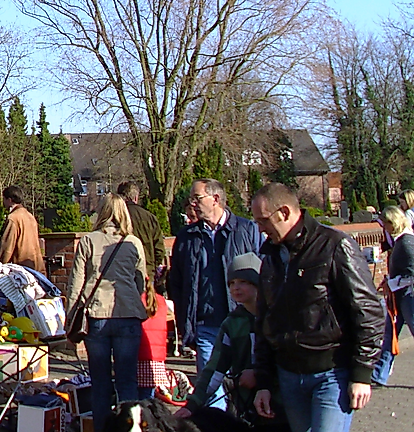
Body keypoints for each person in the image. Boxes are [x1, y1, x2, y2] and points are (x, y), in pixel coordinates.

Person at [250, 183, 384, 432]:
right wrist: (264, 381)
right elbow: (265, 322)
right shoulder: (270, 259)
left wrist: (362, 373)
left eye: (263, 220)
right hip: (289, 374)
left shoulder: (333, 246)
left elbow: (368, 311)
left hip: (332, 373)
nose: (260, 229)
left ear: (284, 212)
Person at [177, 252, 285, 428]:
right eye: (232, 283)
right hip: (249, 408)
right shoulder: (232, 323)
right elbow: (214, 368)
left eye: (243, 282)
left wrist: (259, 374)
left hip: (284, 404)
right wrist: (192, 405)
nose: (236, 288)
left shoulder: (279, 316)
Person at [169, 178, 262, 377]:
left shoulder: (247, 230)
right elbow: (176, 282)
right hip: (205, 326)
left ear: (215, 199)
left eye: (197, 198)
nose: (192, 203)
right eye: (191, 199)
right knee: (210, 389)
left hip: (243, 324)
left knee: (242, 388)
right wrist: (185, 321)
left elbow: (263, 274)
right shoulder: (187, 237)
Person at [67, 193, 147, 420]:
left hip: (97, 315)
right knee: (127, 382)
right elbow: (140, 282)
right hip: (128, 314)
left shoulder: (88, 241)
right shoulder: (133, 243)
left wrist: (70, 320)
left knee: (100, 384)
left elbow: (76, 285)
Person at [372, 205, 414, 385]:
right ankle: (379, 375)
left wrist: (392, 283)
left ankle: (379, 374)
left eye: (385, 224)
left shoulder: (406, 243)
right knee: (390, 335)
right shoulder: (400, 242)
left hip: (409, 296)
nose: (384, 228)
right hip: (399, 296)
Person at [117, 181, 166, 276]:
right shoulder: (150, 218)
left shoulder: (116, 217)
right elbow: (159, 250)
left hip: (120, 272)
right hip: (146, 271)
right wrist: (152, 268)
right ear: (136, 197)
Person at [137, 276, 169, 400]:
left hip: (137, 355)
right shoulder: (160, 301)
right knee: (148, 398)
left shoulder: (134, 299)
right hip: (156, 357)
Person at [0, 186, 43, 271]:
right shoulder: (30, 216)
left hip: (21, 268)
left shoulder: (13, 218)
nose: (3, 202)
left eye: (4, 199)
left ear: (9, 200)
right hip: (35, 266)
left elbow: (7, 247)